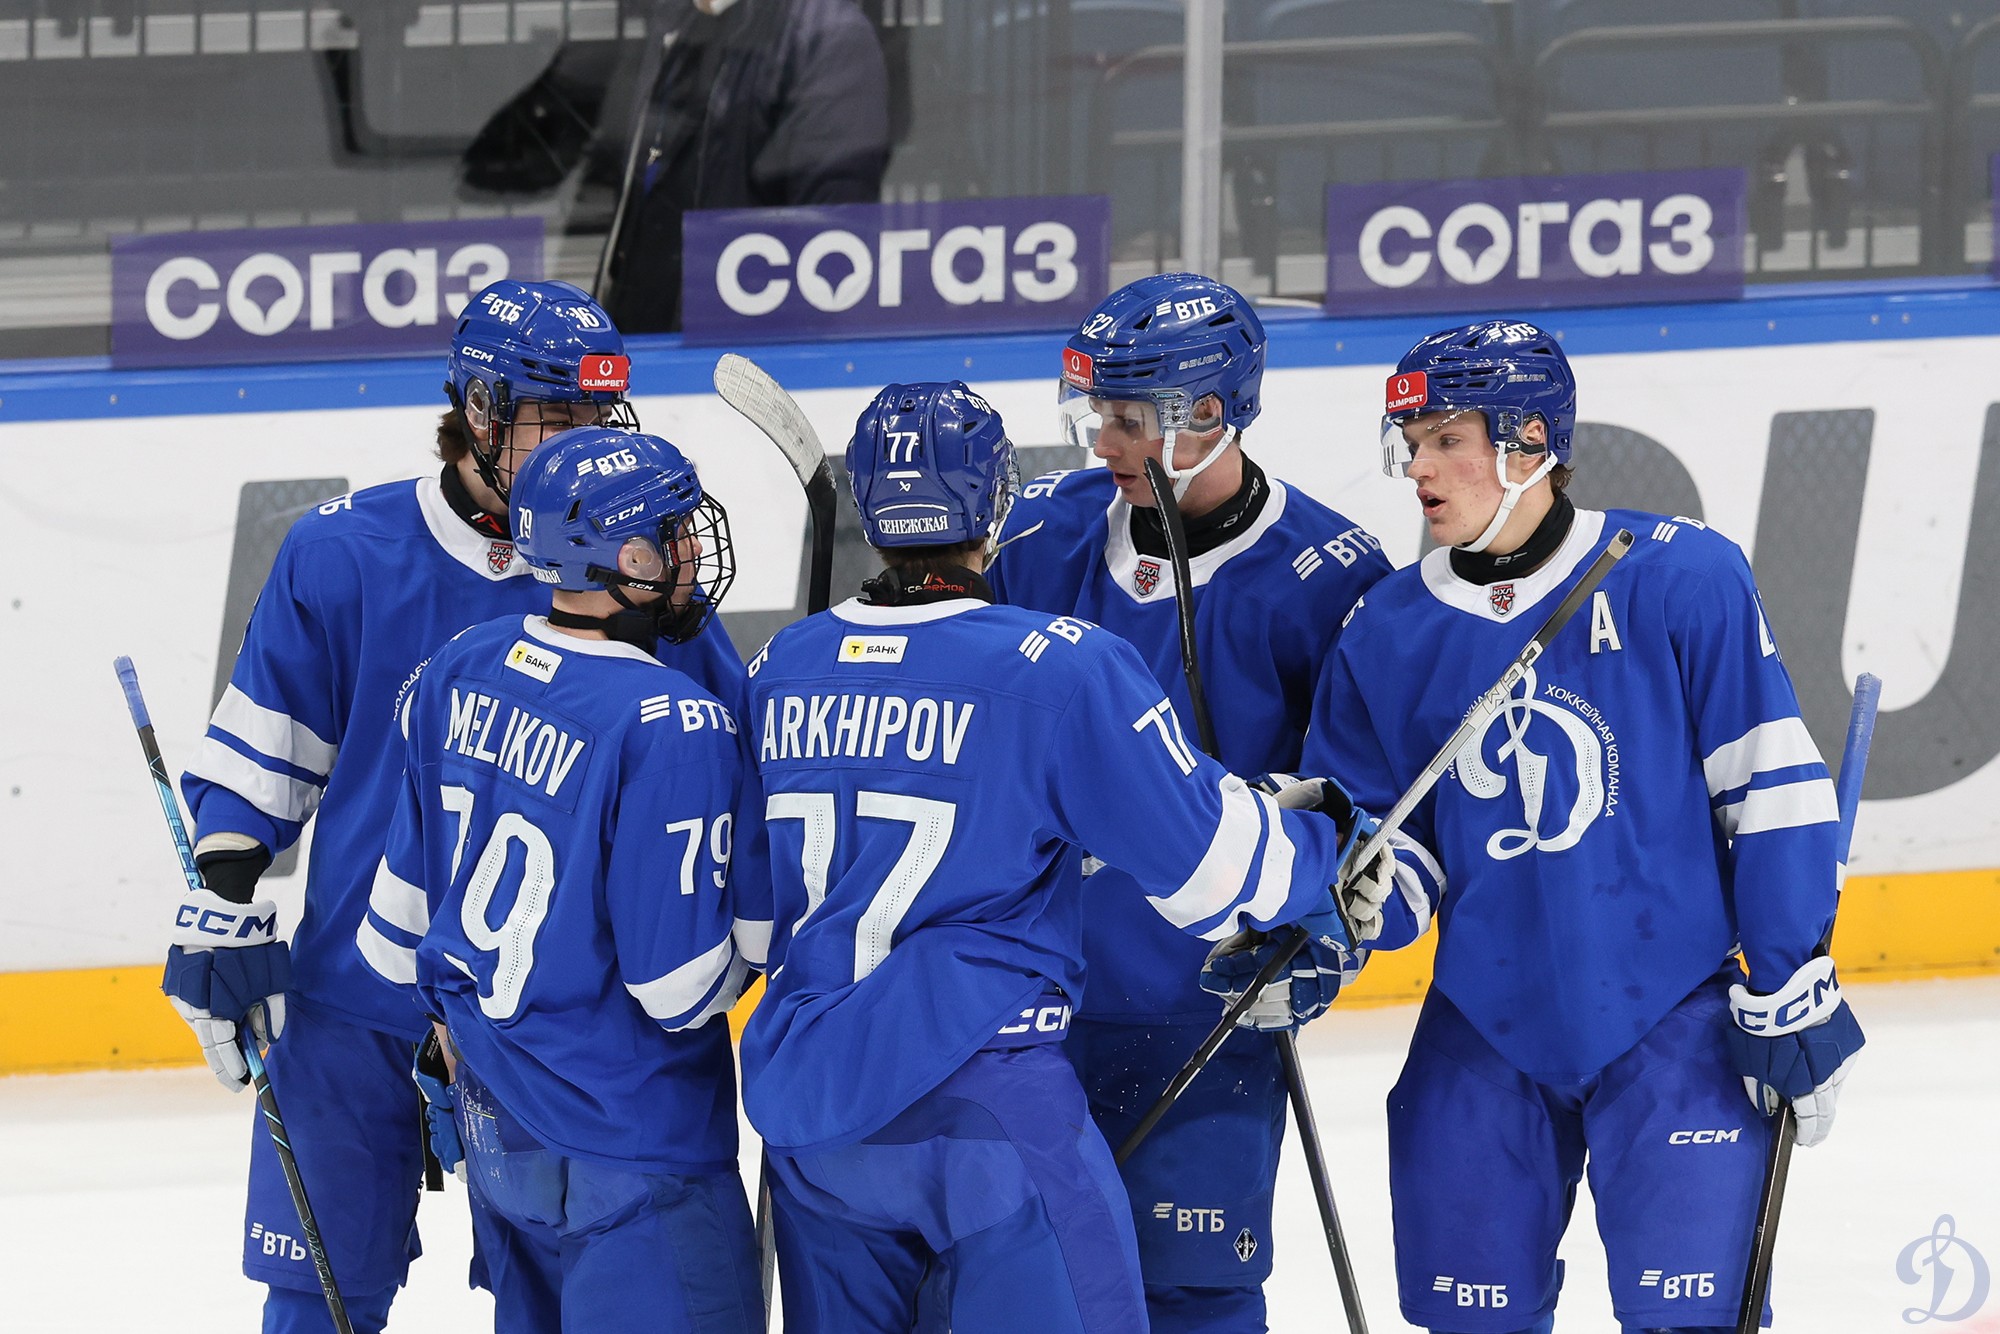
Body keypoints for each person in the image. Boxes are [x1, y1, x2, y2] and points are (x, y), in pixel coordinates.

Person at [167, 279, 745, 1332]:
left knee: (542, 1294)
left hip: (540, 1034)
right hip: (358, 997)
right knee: (317, 1297)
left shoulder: (625, 563)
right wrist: (223, 894)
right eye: (557, 415)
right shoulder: (345, 551)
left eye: (601, 414)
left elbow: (714, 765)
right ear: (480, 410)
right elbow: (264, 756)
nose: (588, 440)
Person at [738, 381, 1367, 1334]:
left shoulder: (779, 666)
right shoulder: (1060, 666)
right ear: (997, 503)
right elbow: (1218, 878)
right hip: (987, 1113)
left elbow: (750, 927)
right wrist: (1321, 834)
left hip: (811, 1119)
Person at [1303, 319, 1866, 1334]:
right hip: (1480, 1025)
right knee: (1465, 1319)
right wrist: (1342, 909)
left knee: (1691, 1320)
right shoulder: (1385, 626)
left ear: (1528, 442)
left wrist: (1789, 979)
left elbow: (1770, 785)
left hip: (1675, 1022)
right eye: (1412, 442)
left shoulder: (1683, 574)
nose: (1417, 467)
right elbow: (1388, 843)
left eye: (1445, 440)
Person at [983, 272, 1393, 1334]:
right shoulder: (1046, 534)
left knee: (1193, 1301)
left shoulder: (1329, 574)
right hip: (1031, 1009)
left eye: (1128, 418)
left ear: (1209, 411)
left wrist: (1323, 940)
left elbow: (1353, 809)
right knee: (1024, 1293)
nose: (1103, 442)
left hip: (1204, 1008)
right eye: (1096, 414)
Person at [359, 426, 767, 1333]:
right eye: (674, 533)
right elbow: (678, 992)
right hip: (635, 1147)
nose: (691, 552)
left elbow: (394, 932)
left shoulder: (460, 666)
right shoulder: (673, 720)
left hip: (496, 1135)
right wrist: (768, 944)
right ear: (629, 558)